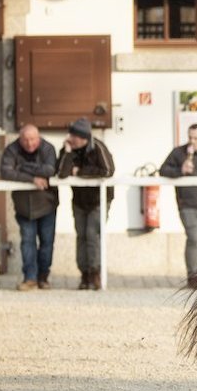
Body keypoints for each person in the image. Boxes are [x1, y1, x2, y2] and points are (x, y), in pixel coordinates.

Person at [57, 118, 115, 290]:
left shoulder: (98, 147)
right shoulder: (68, 149)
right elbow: (61, 173)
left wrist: (80, 172)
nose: (70, 138)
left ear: (82, 137)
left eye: (73, 135)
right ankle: (84, 274)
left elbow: (107, 170)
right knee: (81, 236)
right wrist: (67, 153)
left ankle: (95, 272)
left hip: (98, 200)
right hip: (79, 201)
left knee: (92, 235)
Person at [0, 124, 59, 291]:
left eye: (33, 139)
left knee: (47, 243)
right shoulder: (12, 150)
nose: (29, 143)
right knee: (27, 242)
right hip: (24, 206)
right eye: (25, 140)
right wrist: (32, 179)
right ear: (19, 138)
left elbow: (49, 169)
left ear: (38, 138)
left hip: (47, 204)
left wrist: (22, 168)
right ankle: (30, 278)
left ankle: (43, 277)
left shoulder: (48, 148)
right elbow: (5, 172)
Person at [160, 123, 197, 281]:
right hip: (187, 205)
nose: (192, 141)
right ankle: (192, 276)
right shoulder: (179, 153)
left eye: (196, 138)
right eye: (190, 137)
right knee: (194, 238)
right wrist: (180, 171)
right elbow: (163, 170)